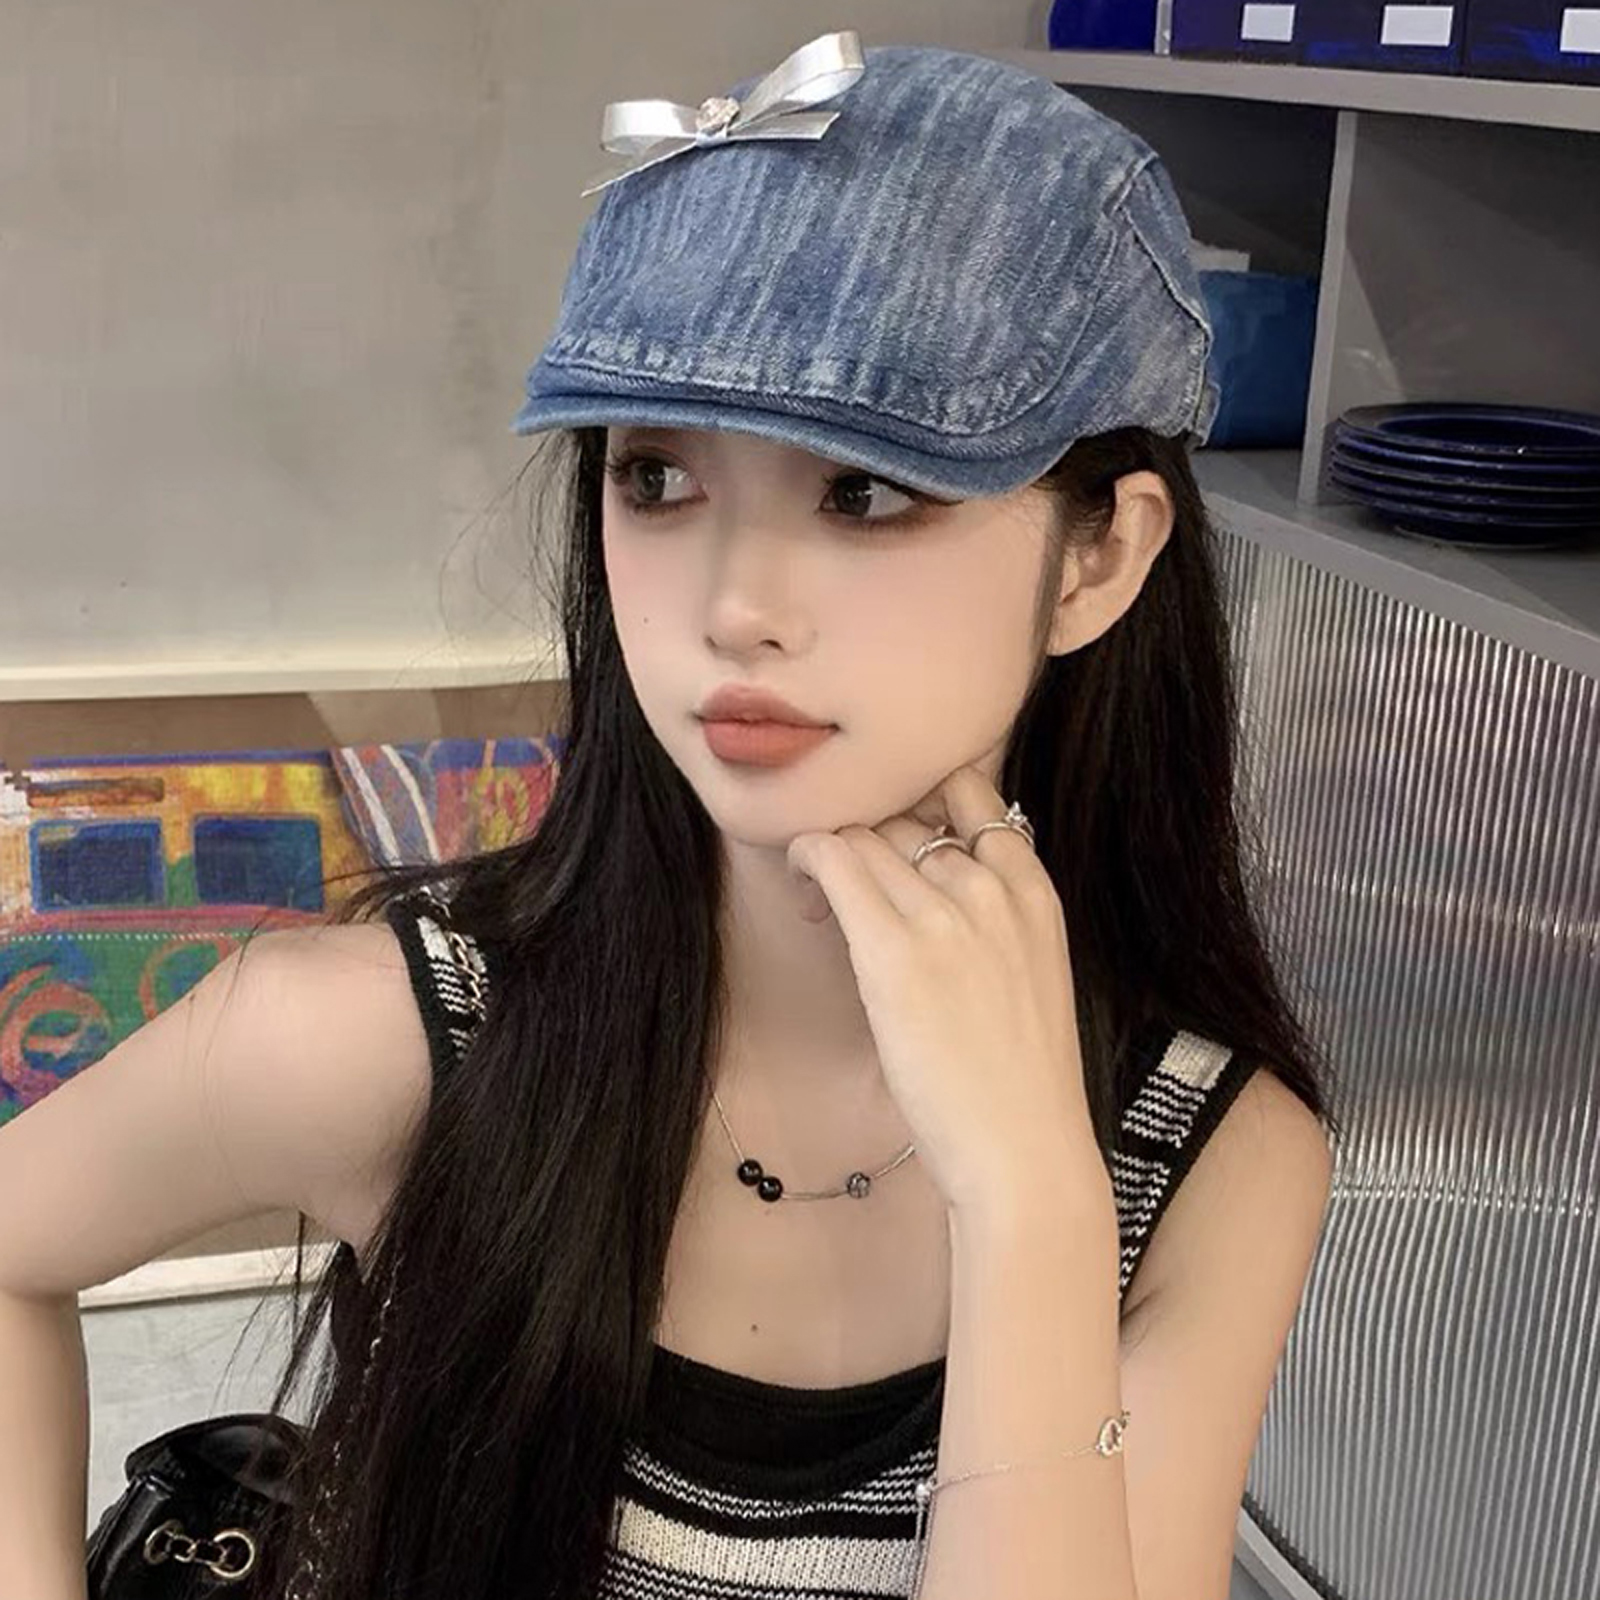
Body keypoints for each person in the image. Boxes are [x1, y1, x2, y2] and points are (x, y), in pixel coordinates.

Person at [0, 31, 1340, 1600]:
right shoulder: (399, 1044)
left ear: (1099, 557)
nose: (732, 606)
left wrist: (1032, 1207)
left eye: (863, 490)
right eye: (655, 480)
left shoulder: (1210, 1164)